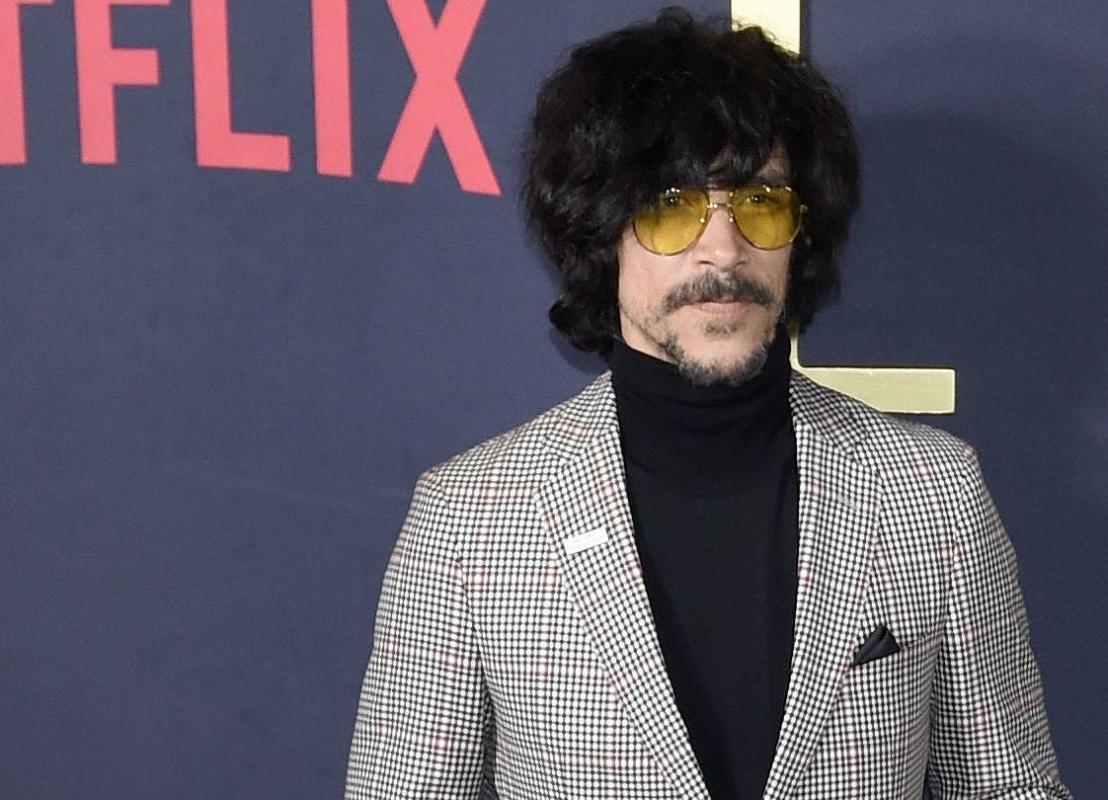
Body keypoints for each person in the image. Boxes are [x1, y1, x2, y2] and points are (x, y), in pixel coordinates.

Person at [344, 7, 1071, 799]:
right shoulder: (470, 519)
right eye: (669, 206)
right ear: (602, 236)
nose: (724, 250)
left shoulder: (932, 494)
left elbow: (1010, 787)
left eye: (761, 203)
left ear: (802, 234)